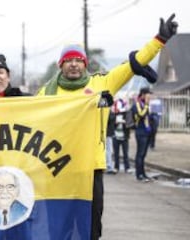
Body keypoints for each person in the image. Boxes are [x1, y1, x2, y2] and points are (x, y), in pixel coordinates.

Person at [37, 14, 178, 239]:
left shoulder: (102, 83)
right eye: (68, 60)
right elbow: (28, 118)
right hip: (55, 167)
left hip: (91, 166)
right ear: (61, 65)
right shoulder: (46, 92)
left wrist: (159, 39)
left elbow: (135, 64)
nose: (73, 64)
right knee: (58, 223)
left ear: (85, 63)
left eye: (78, 60)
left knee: (91, 224)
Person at [132, 87, 153, 182]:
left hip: (147, 132)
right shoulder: (137, 104)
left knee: (143, 154)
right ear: (143, 94)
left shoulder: (144, 104)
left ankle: (143, 173)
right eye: (148, 94)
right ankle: (138, 174)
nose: (150, 96)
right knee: (140, 154)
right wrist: (147, 105)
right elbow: (141, 114)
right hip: (140, 132)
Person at [113, 98, 131, 173]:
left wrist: (124, 122)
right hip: (116, 136)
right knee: (116, 154)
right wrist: (116, 123)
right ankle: (116, 167)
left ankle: (127, 167)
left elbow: (129, 123)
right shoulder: (114, 114)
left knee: (125, 153)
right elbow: (111, 124)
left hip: (124, 136)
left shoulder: (127, 114)